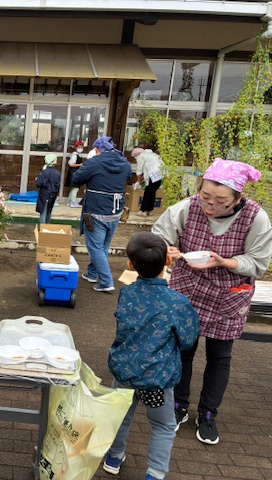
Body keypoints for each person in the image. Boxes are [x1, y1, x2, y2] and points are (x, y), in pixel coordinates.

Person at [152, 158, 272, 445]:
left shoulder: (256, 218)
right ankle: (179, 405)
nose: (210, 205)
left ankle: (207, 413)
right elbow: (158, 236)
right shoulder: (186, 208)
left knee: (219, 356)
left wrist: (224, 261)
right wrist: (166, 248)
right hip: (187, 289)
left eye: (220, 201)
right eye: (205, 196)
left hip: (228, 295)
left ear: (238, 198)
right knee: (184, 350)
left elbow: (258, 263)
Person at [103, 232, 199, 480]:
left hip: (125, 372)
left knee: (120, 417)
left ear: (130, 265)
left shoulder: (127, 293)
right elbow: (188, 339)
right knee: (163, 426)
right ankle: (155, 473)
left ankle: (114, 457)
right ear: (168, 261)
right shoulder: (177, 303)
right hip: (157, 378)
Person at [71, 136, 131, 293]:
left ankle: (106, 281)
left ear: (98, 150)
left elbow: (75, 179)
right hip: (116, 211)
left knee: (96, 247)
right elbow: (127, 178)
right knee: (103, 245)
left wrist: (90, 167)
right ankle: (92, 273)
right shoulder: (125, 163)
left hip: (96, 211)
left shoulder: (94, 162)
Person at [131, 147, 164, 217]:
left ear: (137, 155)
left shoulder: (141, 156)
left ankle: (143, 211)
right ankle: (149, 210)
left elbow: (139, 170)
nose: (135, 159)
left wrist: (138, 182)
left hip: (152, 175)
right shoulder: (153, 155)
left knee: (147, 192)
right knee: (152, 192)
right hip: (160, 174)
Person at [35, 153, 62, 224]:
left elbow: (38, 184)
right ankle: (47, 226)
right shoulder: (57, 173)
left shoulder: (43, 173)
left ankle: (42, 227)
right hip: (53, 194)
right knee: (49, 211)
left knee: (43, 212)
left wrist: (37, 180)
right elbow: (58, 185)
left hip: (44, 194)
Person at [67, 140, 85, 208]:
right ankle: (72, 202)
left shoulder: (79, 155)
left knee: (73, 188)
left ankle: (70, 201)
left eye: (81, 147)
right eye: (79, 147)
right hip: (73, 173)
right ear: (75, 147)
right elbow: (71, 164)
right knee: (75, 188)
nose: (80, 148)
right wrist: (80, 165)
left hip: (76, 172)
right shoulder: (74, 155)